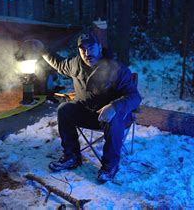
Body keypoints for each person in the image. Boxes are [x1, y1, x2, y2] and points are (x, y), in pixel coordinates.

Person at [30, 31, 141, 183]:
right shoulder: (75, 64)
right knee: (64, 110)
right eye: (83, 49)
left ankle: (110, 166)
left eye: (91, 47)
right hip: (88, 112)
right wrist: (43, 50)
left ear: (100, 47)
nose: (87, 53)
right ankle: (72, 156)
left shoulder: (116, 69)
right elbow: (59, 64)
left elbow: (135, 97)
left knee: (114, 120)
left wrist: (114, 106)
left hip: (111, 116)